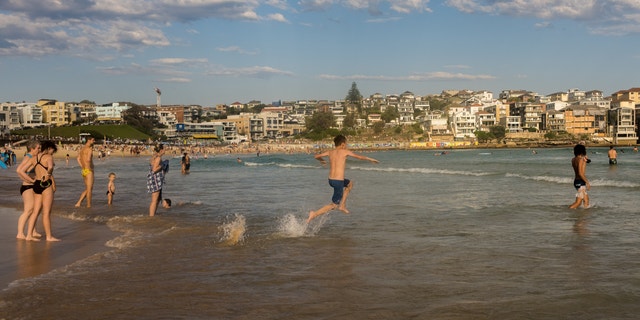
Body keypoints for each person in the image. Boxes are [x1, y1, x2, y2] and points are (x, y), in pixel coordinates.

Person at [307, 135, 379, 223]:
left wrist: (322, 160)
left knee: (350, 183)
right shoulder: (344, 152)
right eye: (346, 143)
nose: (347, 145)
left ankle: (343, 205)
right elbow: (359, 157)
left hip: (331, 180)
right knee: (333, 205)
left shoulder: (330, 152)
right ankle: (314, 214)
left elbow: (316, 156)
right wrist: (370, 159)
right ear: (342, 144)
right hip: (338, 182)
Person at [26, 140, 60, 241]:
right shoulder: (48, 157)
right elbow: (50, 167)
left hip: (36, 183)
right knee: (46, 213)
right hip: (45, 184)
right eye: (52, 151)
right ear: (49, 148)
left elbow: (24, 170)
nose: (52, 153)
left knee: (35, 212)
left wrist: (31, 180)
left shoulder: (33, 158)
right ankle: (49, 236)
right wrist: (49, 174)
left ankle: (28, 235)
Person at [16, 140, 41, 239]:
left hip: (30, 186)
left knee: (34, 210)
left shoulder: (32, 157)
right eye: (38, 148)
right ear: (32, 149)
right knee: (28, 210)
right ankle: (20, 233)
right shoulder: (29, 157)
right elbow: (19, 170)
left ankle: (33, 231)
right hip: (27, 187)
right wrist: (31, 180)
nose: (39, 149)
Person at [147, 144, 168, 216]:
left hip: (154, 179)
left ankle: (153, 214)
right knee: (154, 200)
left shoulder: (154, 157)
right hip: (156, 180)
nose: (165, 150)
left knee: (158, 199)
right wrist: (162, 166)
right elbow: (154, 169)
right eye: (164, 148)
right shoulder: (158, 158)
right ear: (161, 150)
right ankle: (151, 217)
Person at [75, 137, 95, 208]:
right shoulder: (89, 149)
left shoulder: (82, 149)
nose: (94, 141)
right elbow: (88, 159)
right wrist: (90, 167)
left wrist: (82, 166)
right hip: (89, 170)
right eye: (93, 140)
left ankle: (78, 203)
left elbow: (78, 159)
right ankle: (88, 205)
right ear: (88, 140)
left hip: (84, 170)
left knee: (88, 188)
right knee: (89, 189)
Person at [569, 144, 590, 209]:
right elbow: (580, 173)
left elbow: (580, 167)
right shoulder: (580, 160)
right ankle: (568, 211)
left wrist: (585, 161)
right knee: (578, 202)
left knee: (586, 200)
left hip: (577, 181)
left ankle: (584, 216)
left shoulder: (573, 159)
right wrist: (587, 182)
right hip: (580, 181)